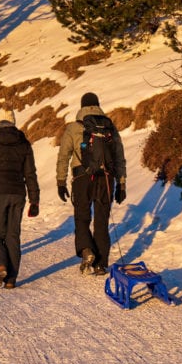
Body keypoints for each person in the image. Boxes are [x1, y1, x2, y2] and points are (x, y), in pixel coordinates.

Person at [55, 92, 127, 275]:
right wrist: (121, 184)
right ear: (98, 105)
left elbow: (64, 155)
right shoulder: (109, 126)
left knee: (82, 217)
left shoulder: (74, 127)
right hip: (106, 178)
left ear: (82, 106)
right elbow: (119, 156)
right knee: (102, 221)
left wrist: (61, 181)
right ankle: (101, 264)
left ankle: (86, 249)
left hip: (82, 178)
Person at [0, 108, 40, 289]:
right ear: (13, 122)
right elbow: (30, 173)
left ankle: (0, 265)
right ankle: (11, 279)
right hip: (18, 193)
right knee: (12, 236)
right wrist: (34, 200)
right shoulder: (23, 142)